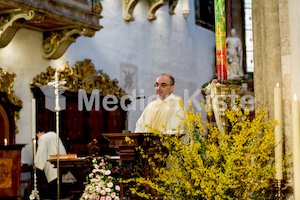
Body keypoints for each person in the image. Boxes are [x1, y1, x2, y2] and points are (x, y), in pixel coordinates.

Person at [34, 129, 67, 199]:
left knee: (53, 189)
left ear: (38, 133)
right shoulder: (54, 134)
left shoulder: (43, 138)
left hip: (51, 165)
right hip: (60, 163)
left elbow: (41, 153)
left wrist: (36, 165)